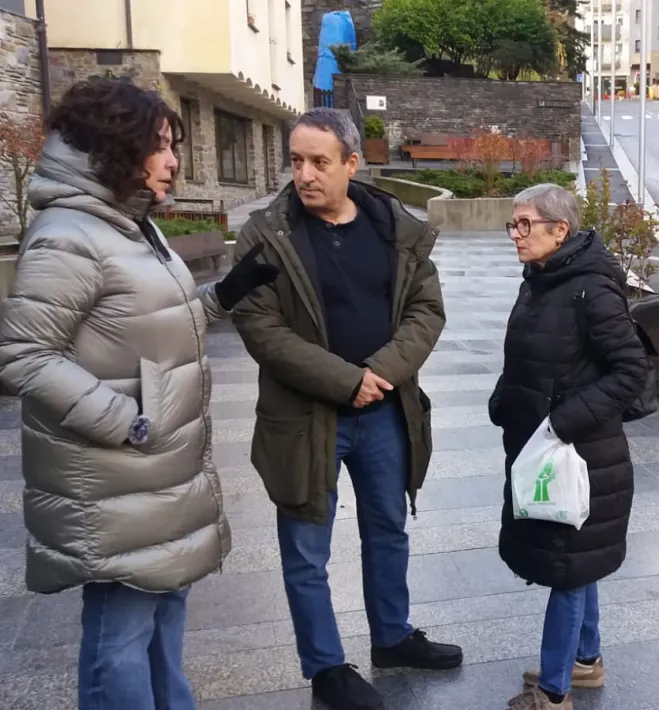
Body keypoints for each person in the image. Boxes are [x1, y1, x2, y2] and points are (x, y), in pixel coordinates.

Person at [0, 78, 279, 710]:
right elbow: (22, 354)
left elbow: (157, 326)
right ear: (115, 148)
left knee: (162, 622)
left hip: (158, 475)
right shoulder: (70, 235)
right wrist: (127, 420)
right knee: (121, 639)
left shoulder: (130, 226)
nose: (174, 160)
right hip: (115, 478)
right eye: (160, 145)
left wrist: (228, 293)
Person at [230, 107, 460, 710]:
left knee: (388, 529)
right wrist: (344, 381)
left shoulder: (392, 226)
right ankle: (326, 667)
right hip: (306, 419)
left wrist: (378, 374)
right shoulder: (266, 234)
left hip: (385, 409)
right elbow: (260, 328)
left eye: (319, 162)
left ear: (351, 163)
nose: (304, 175)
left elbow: (426, 310)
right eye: (297, 161)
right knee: (307, 548)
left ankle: (392, 636)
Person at [490, 184, 650, 710]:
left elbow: (631, 371)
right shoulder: (540, 280)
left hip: (581, 456)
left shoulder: (591, 289)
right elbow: (530, 359)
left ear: (559, 231)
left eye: (524, 224)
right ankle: (586, 662)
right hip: (548, 448)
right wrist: (505, 400)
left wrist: (562, 422)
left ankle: (555, 692)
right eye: (513, 224)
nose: (515, 234)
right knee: (577, 562)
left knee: (568, 566)